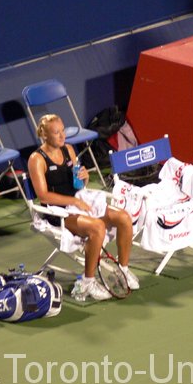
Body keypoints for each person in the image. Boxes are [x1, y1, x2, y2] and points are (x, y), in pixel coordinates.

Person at [27, 114, 139, 301]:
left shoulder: (68, 149)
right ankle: (87, 282)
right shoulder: (36, 159)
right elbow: (43, 196)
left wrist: (84, 176)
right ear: (44, 135)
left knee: (124, 218)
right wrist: (74, 202)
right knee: (97, 227)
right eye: (56, 133)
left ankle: (123, 270)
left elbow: (78, 182)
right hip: (58, 211)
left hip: (77, 200)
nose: (62, 136)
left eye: (63, 130)